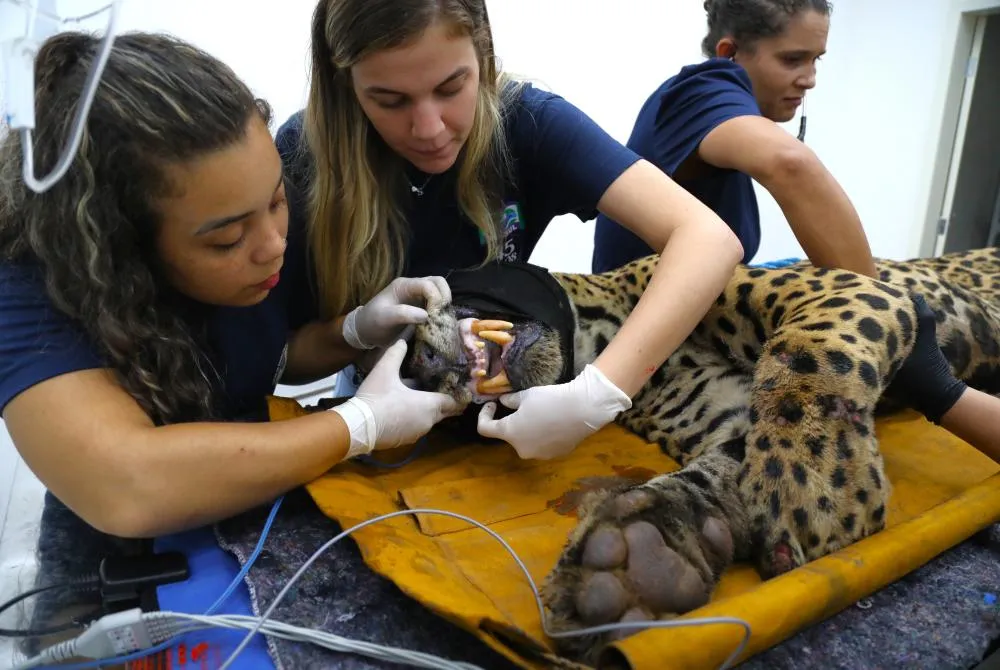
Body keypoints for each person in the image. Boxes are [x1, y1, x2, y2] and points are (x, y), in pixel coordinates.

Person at [0, 32, 464, 539]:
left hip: (254, 505)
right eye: (226, 239)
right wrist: (359, 424)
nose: (273, 246)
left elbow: (261, 357)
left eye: (276, 199)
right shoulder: (28, 294)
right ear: (122, 246)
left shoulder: (257, 231)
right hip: (119, 550)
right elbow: (129, 487)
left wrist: (351, 332)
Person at [276, 0, 745, 461]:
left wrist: (599, 393)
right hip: (373, 413)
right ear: (346, 84)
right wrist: (353, 333)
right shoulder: (303, 157)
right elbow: (283, 363)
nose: (430, 129)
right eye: (390, 101)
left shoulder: (530, 122)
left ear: (483, 55)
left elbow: (708, 239)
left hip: (500, 420)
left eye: (451, 87)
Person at [592, 0, 878, 278]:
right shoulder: (700, 94)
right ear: (729, 52)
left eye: (815, 59)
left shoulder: (711, 109)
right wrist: (880, 311)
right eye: (792, 60)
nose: (810, 79)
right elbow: (790, 163)